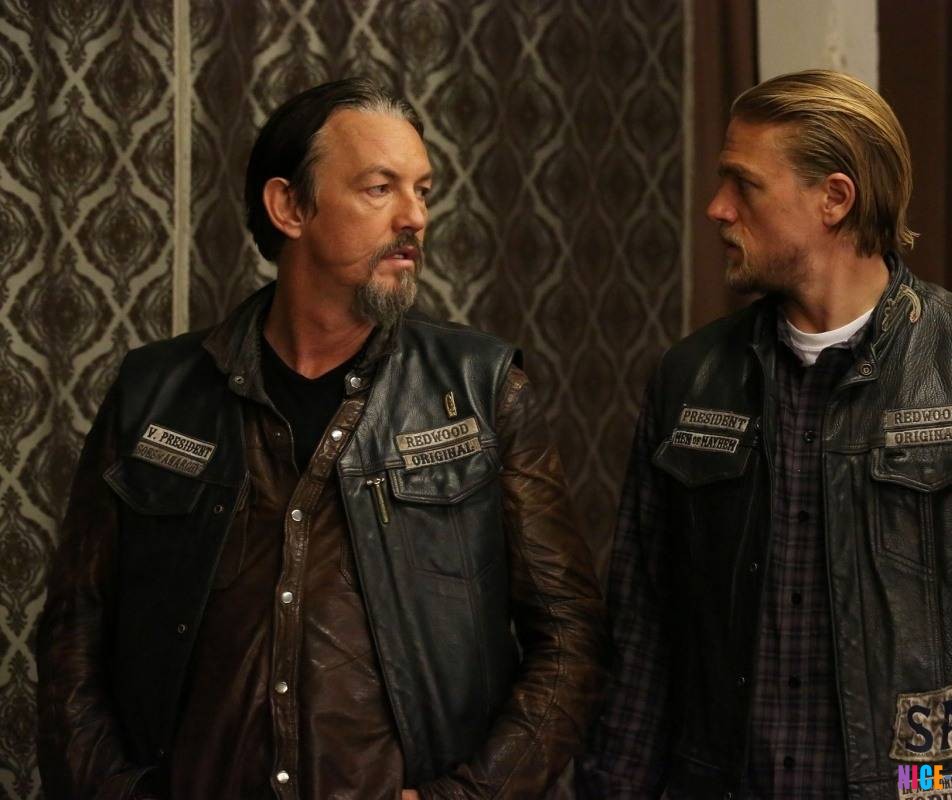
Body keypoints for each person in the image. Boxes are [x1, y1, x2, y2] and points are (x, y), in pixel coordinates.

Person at [36, 78, 604, 800]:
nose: (414, 216)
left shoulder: (484, 388)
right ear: (290, 207)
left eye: (423, 190)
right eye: (380, 188)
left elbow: (570, 636)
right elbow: (73, 634)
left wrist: (468, 796)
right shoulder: (155, 392)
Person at [577, 69, 952, 799]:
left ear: (834, 198)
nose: (716, 207)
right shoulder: (690, 379)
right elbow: (642, 633)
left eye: (743, 184)